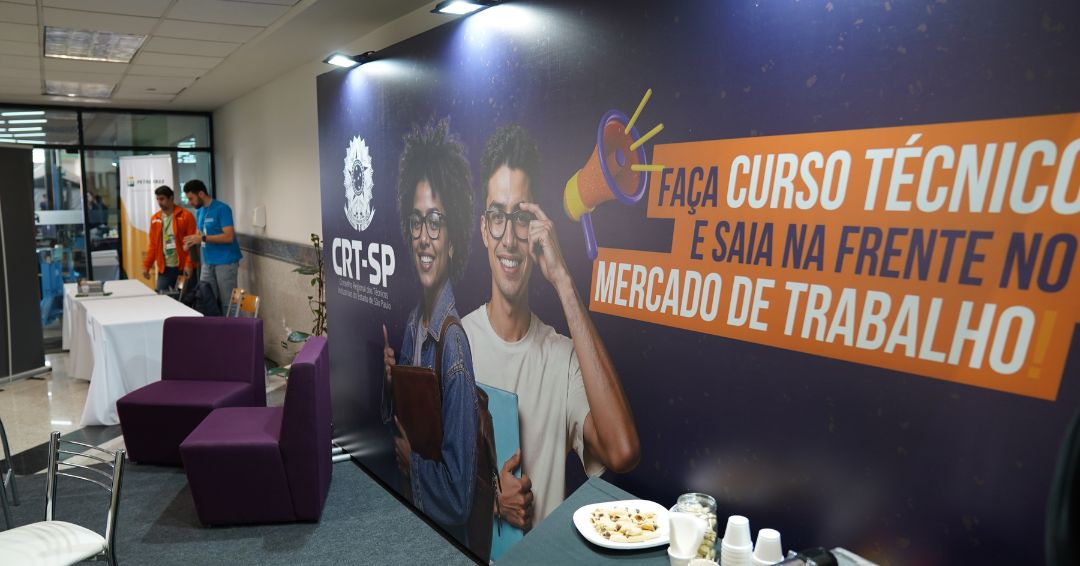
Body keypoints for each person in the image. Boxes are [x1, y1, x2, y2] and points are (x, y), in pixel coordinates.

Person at [462, 124, 640, 529]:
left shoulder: (562, 358)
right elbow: (432, 471)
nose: (509, 238)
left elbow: (623, 452)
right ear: (484, 229)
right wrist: (492, 501)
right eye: (498, 217)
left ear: (538, 227)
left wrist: (563, 281)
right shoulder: (458, 343)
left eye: (521, 218)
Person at [381, 119, 480, 546]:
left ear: (453, 241)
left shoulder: (453, 344)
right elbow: (409, 422)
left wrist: (412, 464)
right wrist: (394, 382)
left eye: (436, 221)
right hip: (416, 522)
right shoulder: (412, 324)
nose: (424, 237)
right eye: (417, 221)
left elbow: (459, 498)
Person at [182, 180, 242, 313]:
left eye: (191, 198)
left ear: (201, 194)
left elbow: (229, 237)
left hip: (225, 262)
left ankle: (235, 326)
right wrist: (191, 241)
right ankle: (212, 326)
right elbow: (200, 233)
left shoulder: (222, 209)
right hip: (208, 262)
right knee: (204, 299)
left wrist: (202, 238)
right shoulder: (200, 212)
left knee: (228, 303)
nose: (189, 202)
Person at [142, 185, 197, 292]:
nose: (159, 202)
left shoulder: (186, 216)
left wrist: (189, 264)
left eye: (162, 199)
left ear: (171, 198)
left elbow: (192, 244)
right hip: (165, 269)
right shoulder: (155, 219)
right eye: (158, 199)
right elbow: (153, 245)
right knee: (162, 297)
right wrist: (147, 266)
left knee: (183, 298)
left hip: (182, 268)